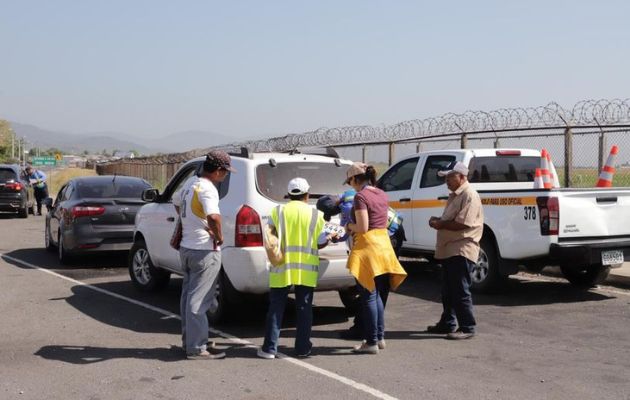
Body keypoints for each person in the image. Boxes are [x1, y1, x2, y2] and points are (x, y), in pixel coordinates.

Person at [258, 177, 335, 359]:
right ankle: (302, 348)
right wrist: (329, 237)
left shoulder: (277, 211)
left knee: (276, 307)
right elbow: (320, 243)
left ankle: (269, 348)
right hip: (306, 269)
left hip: (281, 267)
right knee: (304, 309)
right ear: (307, 195)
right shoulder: (316, 215)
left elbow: (270, 239)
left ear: (289, 194)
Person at [173, 150, 235, 360]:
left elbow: (176, 203)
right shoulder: (208, 189)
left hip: (187, 247)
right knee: (199, 301)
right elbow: (214, 217)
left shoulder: (191, 183)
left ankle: (190, 341)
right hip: (204, 250)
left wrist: (192, 223)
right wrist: (218, 236)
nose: (225, 176)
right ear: (217, 171)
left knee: (187, 297)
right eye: (225, 172)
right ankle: (197, 348)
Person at [344, 162, 407, 354]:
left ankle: (370, 341)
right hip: (383, 246)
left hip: (367, 248)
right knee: (378, 294)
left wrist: (348, 226)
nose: (350, 185)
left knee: (369, 296)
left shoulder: (360, 197)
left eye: (350, 181)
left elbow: (363, 226)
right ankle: (379, 337)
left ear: (355, 179)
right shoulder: (381, 193)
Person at [428, 161, 483, 340]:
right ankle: (448, 322)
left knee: (460, 289)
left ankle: (467, 326)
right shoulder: (456, 195)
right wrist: (439, 220)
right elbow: (451, 219)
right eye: (446, 177)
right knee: (448, 289)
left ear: (462, 176)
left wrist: (440, 224)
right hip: (451, 248)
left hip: (462, 248)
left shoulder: (469, 195)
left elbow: (462, 223)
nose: (447, 181)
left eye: (451, 177)